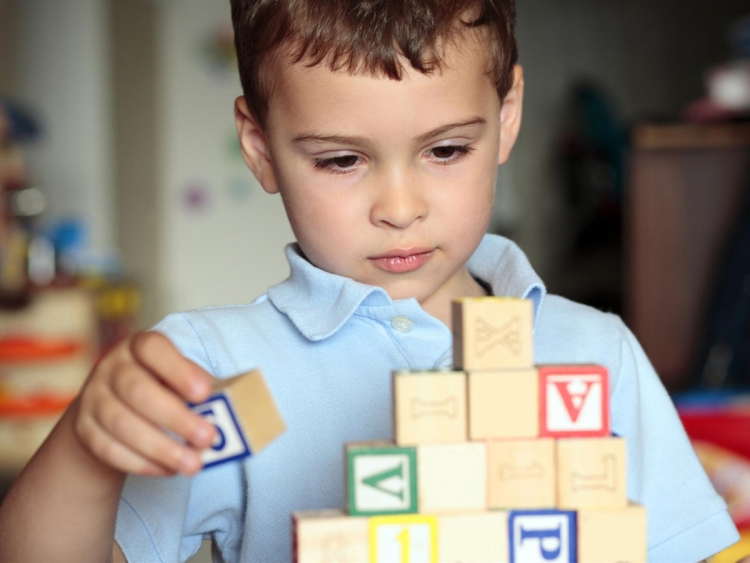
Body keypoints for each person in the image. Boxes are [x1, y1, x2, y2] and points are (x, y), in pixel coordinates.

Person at [0, 1, 740, 561]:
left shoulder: (596, 354)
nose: (400, 208)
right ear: (259, 148)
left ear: (506, 117)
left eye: (446, 149)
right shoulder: (214, 371)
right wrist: (86, 451)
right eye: (341, 160)